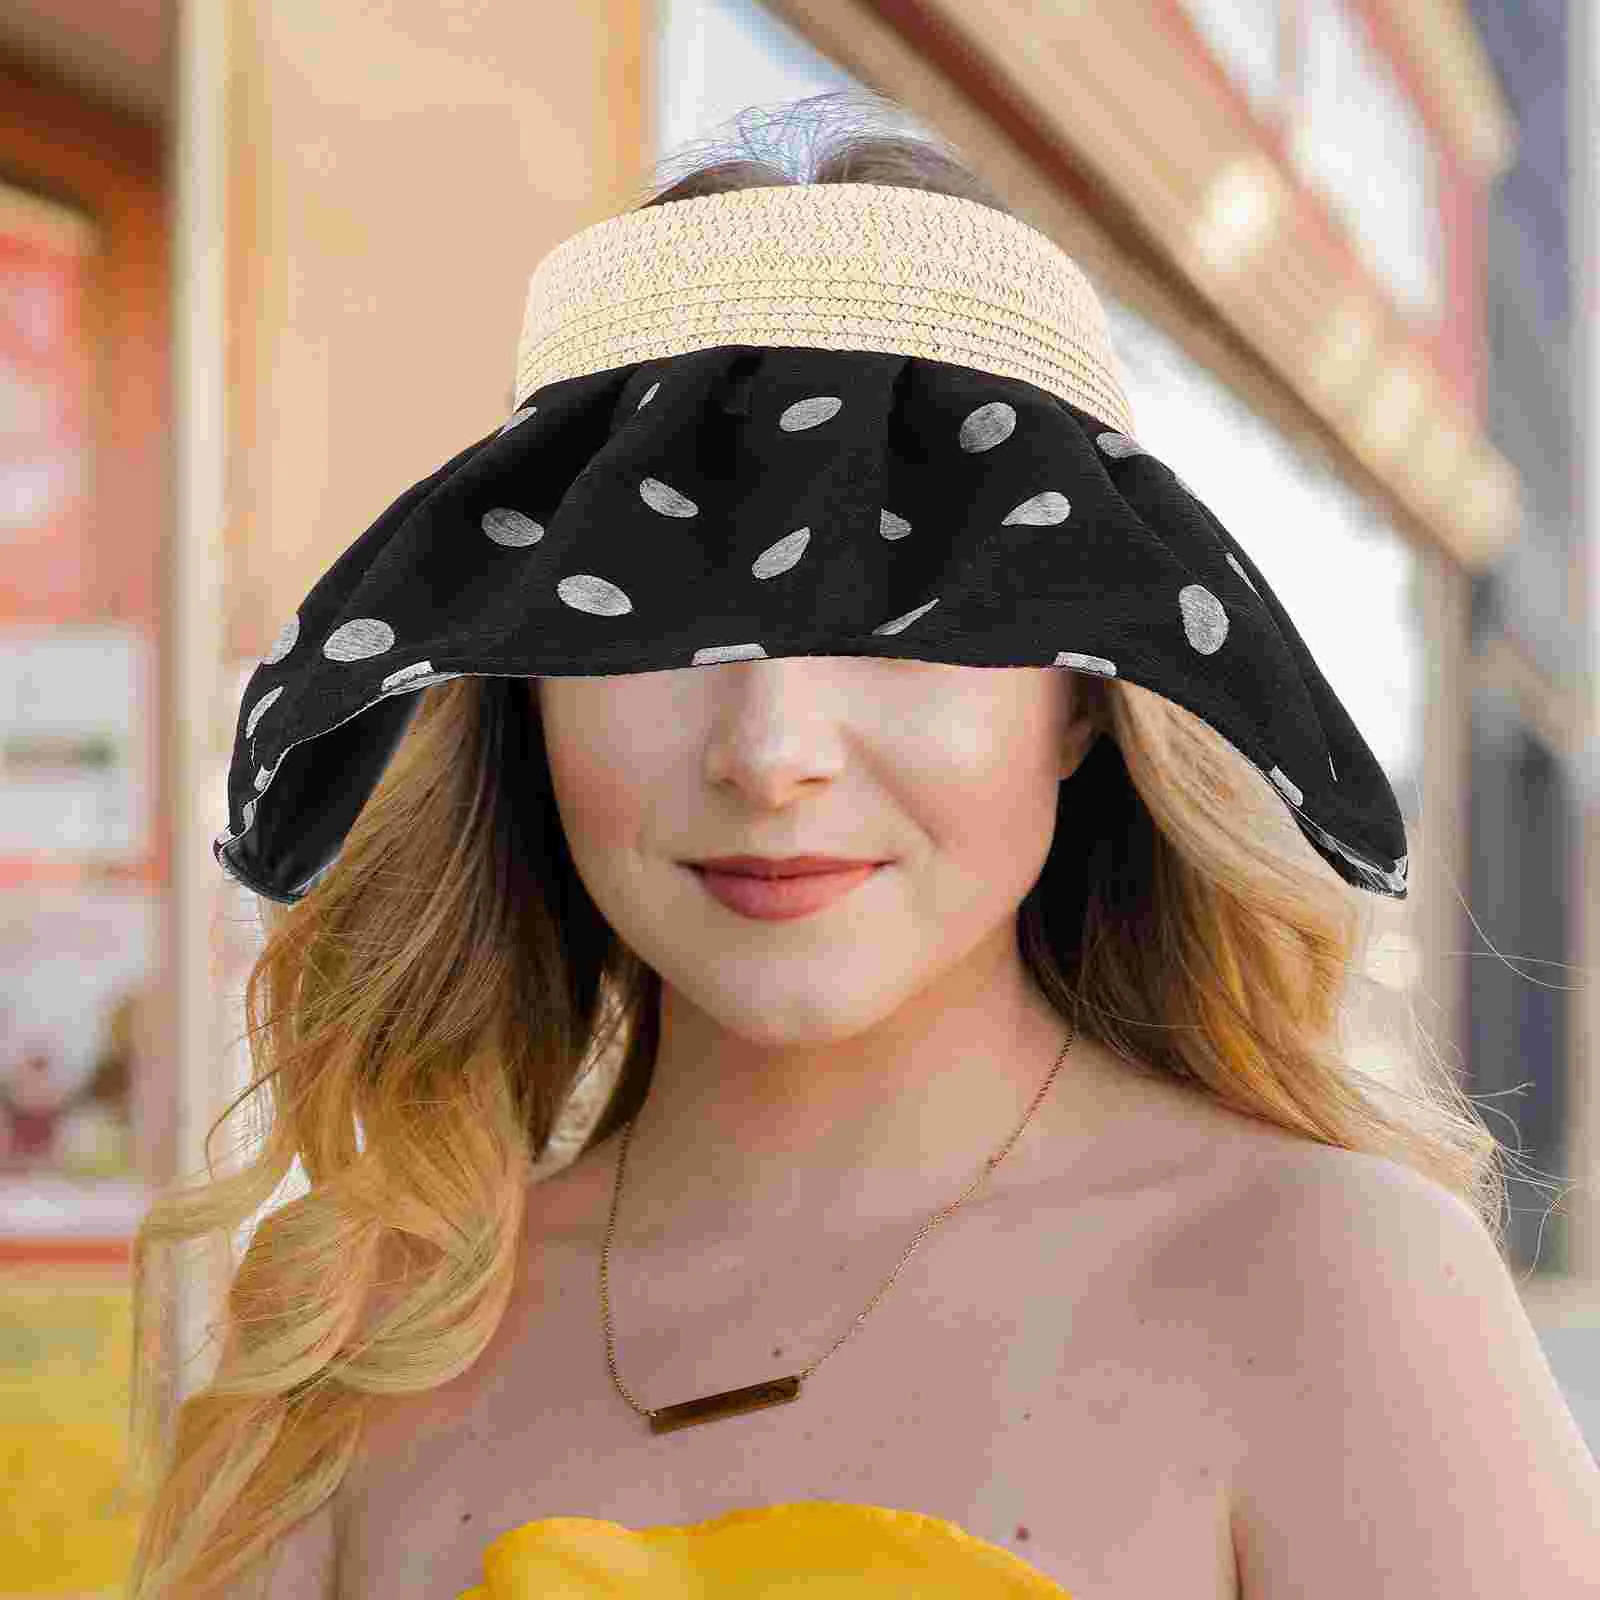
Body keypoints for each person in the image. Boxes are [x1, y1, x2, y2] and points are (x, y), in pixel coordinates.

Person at [125, 95, 1600, 1599]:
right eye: (655, 622)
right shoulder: (352, 1350)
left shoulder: (1336, 1291)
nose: (772, 754)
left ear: (1086, 702)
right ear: (527, 692)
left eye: (911, 625)